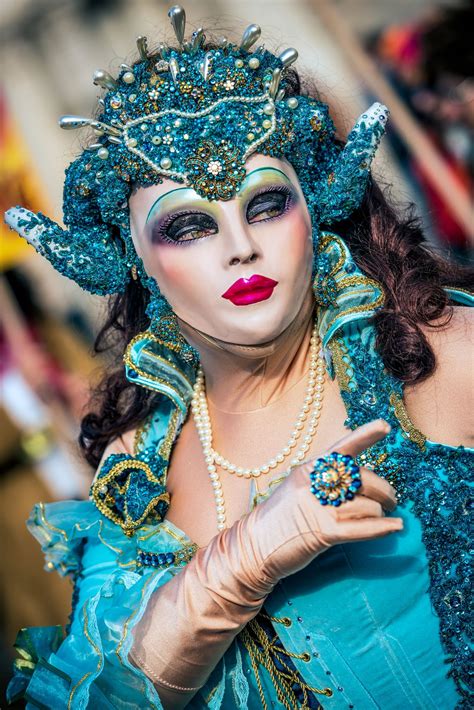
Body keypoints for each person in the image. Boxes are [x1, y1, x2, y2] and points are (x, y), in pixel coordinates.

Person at [4, 6, 473, 709]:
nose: (240, 248)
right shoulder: (140, 462)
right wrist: (236, 566)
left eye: (265, 205)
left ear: (316, 208)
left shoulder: (444, 354)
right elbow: (96, 697)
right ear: (134, 262)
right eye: (189, 225)